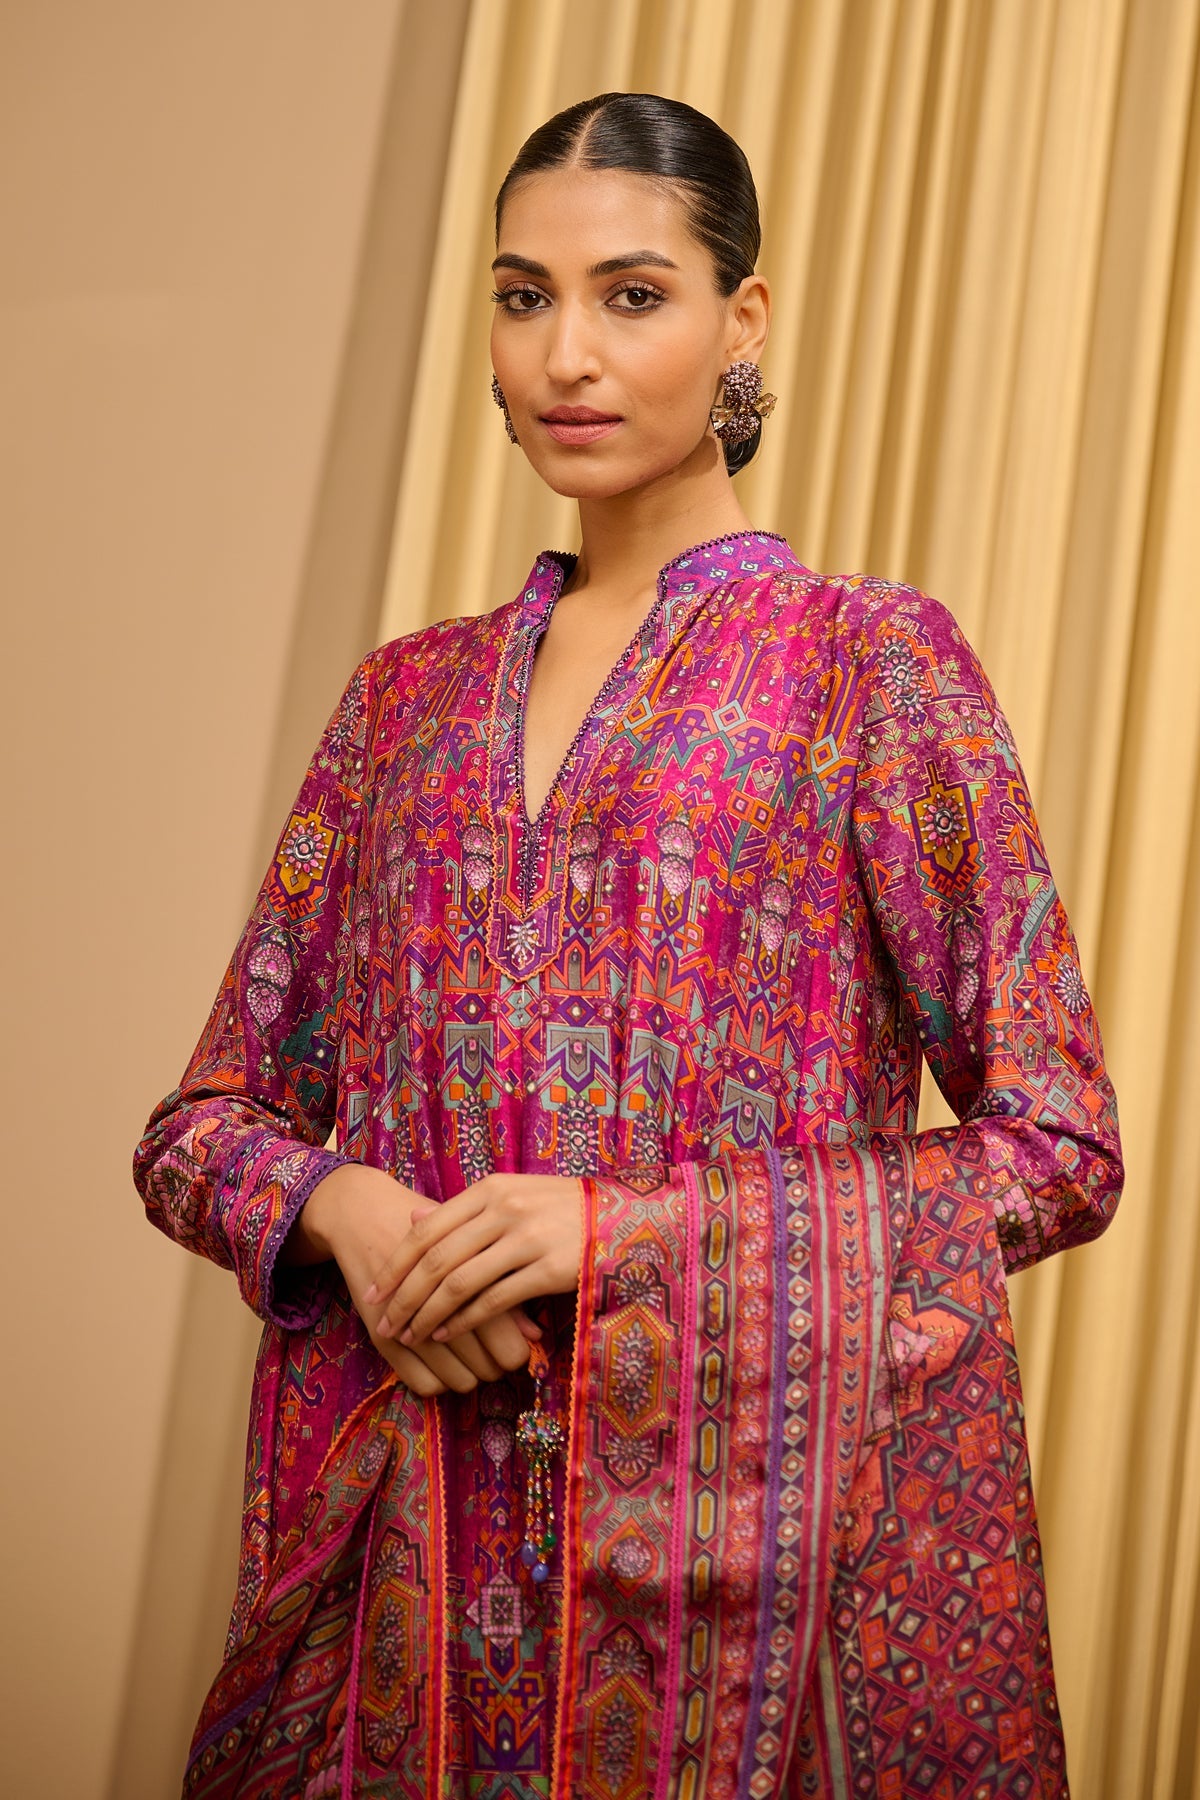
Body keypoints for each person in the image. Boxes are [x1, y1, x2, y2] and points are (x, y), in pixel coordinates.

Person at [134, 91, 1122, 1799]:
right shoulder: (403, 704)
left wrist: (626, 1240)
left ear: (745, 320)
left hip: (731, 1600)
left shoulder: (864, 667)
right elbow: (200, 1130)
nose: (567, 356)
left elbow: (1059, 1147)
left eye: (633, 295)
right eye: (524, 298)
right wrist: (352, 1218)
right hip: (414, 1589)